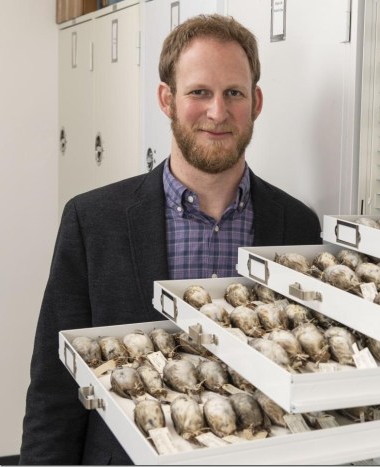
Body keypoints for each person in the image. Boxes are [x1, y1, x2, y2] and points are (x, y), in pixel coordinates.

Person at [20, 14, 321, 465]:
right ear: (167, 99)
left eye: (233, 93)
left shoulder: (297, 225)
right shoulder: (93, 220)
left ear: (256, 102)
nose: (217, 112)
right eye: (199, 92)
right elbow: (55, 386)